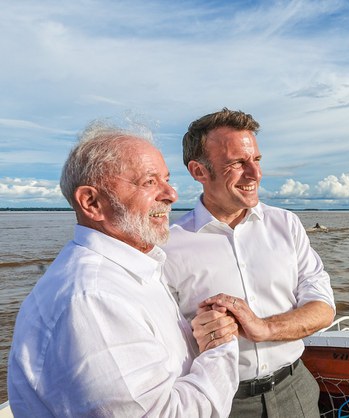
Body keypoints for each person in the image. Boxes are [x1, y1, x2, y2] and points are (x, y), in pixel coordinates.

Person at [7, 120, 241, 417]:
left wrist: (198, 334)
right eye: (149, 182)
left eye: (166, 179)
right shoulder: (93, 299)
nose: (171, 194)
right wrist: (220, 348)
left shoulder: (131, 271)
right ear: (91, 202)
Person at [162, 108, 336, 417]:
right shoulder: (167, 246)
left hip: (295, 389)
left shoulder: (287, 224)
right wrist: (196, 333)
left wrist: (264, 328)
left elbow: (323, 307)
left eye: (255, 160)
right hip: (222, 402)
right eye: (237, 163)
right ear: (199, 172)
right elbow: (158, 339)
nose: (254, 174)